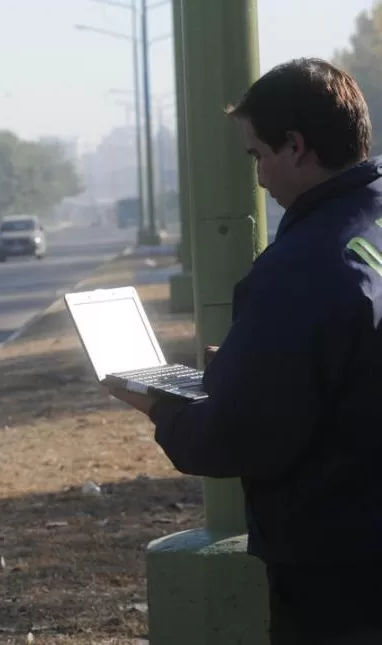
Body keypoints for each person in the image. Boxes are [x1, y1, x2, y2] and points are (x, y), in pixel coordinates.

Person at [105, 58, 382, 644]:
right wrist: (245, 362)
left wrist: (161, 407)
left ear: (297, 146)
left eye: (258, 155)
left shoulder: (301, 266)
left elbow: (240, 435)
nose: (258, 178)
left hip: (339, 568)